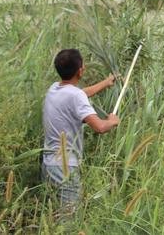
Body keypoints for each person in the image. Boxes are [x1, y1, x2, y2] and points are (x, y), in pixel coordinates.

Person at [42, 48, 120, 217]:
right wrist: (112, 121)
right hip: (65, 168)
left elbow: (80, 94)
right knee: (68, 221)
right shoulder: (76, 97)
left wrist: (106, 83)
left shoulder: (54, 88)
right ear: (80, 71)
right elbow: (99, 127)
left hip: (48, 166)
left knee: (52, 217)